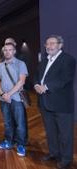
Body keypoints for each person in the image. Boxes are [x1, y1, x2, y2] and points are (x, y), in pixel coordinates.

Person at [34, 35, 76, 169]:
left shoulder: (68, 59)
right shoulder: (43, 61)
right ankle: (53, 153)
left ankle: (66, 159)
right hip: (45, 103)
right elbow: (36, 76)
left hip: (61, 103)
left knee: (65, 134)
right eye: (47, 44)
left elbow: (64, 79)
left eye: (52, 43)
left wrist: (45, 87)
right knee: (50, 131)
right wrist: (36, 85)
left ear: (60, 45)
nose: (49, 46)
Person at [0, 43, 28, 157]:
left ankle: (21, 145)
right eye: (5, 50)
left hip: (17, 99)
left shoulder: (20, 64)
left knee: (20, 123)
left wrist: (9, 94)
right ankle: (8, 142)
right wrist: (3, 94)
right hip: (4, 99)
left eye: (10, 50)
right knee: (7, 123)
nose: (7, 52)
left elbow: (21, 81)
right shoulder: (0, 65)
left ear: (14, 51)